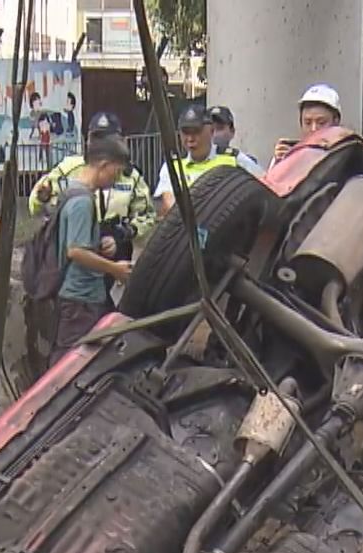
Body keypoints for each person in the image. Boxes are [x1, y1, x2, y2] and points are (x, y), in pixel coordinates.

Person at [50, 136, 135, 362]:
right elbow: (75, 251)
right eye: (116, 173)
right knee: (68, 364)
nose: (116, 179)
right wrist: (114, 269)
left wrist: (98, 245)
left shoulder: (72, 192)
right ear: (104, 165)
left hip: (84, 298)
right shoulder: (82, 202)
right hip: (80, 300)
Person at [29, 112, 155, 260]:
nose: (100, 144)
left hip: (115, 253)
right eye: (96, 138)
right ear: (87, 140)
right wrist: (42, 198)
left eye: (108, 139)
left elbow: (147, 215)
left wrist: (122, 234)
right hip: (74, 249)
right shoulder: (68, 168)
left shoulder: (130, 176)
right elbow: (35, 207)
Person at [155, 103, 242, 214]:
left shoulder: (233, 159)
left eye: (196, 132)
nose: (190, 139)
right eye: (186, 132)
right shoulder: (173, 165)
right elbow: (169, 206)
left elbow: (264, 184)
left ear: (211, 131)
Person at [273, 84, 343, 163]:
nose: (313, 129)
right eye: (308, 123)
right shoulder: (293, 155)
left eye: (321, 122)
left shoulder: (346, 156)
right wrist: (280, 164)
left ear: (336, 122)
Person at [207, 107, 264, 174]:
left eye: (220, 128)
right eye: (210, 129)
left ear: (232, 132)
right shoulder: (192, 161)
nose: (215, 134)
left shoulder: (243, 161)